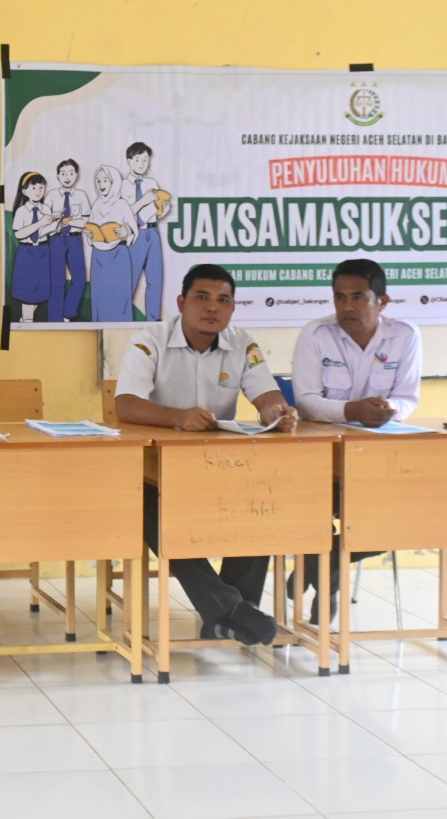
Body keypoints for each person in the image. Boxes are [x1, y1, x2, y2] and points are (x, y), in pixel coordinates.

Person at [114, 264, 299, 646]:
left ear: (232, 308)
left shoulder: (242, 344)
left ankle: (231, 614)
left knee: (261, 501)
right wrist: (177, 417)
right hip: (155, 471)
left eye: (223, 300)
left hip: (217, 469)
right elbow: (126, 405)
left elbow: (265, 394)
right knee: (151, 510)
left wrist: (276, 412)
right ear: (182, 302)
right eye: (202, 297)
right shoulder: (148, 341)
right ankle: (230, 610)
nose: (213, 307)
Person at [289, 258, 422, 621]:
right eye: (339, 297)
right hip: (320, 458)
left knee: (411, 513)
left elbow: (408, 398)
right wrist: (352, 411)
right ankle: (325, 573)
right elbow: (306, 401)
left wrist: (389, 408)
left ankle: (321, 562)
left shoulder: (405, 335)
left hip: (378, 457)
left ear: (382, 301)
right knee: (313, 510)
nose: (347, 306)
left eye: (358, 297)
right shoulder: (316, 334)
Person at [122, 141, 171, 321]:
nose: (142, 163)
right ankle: (123, 318)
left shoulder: (152, 183)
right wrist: (144, 201)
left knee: (155, 279)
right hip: (134, 235)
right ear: (129, 161)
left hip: (152, 233)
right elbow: (124, 213)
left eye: (145, 159)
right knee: (130, 280)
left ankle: (153, 320)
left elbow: (157, 209)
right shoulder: (121, 186)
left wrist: (162, 209)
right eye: (138, 159)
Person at [86, 164, 137, 322]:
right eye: (98, 181)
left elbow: (133, 229)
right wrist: (90, 234)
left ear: (113, 182)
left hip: (118, 256)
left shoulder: (122, 204)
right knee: (100, 296)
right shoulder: (96, 204)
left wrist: (126, 231)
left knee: (120, 296)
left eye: (105, 180)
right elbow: (91, 226)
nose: (101, 184)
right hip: (99, 257)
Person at [9, 171, 59, 322]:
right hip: (27, 252)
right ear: (24, 191)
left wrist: (56, 224)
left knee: (40, 288)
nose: (38, 191)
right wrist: (40, 223)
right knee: (27, 289)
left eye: (41, 187)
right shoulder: (21, 211)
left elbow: (47, 232)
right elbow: (19, 234)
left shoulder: (46, 209)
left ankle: (26, 318)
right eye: (34, 188)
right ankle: (27, 320)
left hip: (43, 251)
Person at [46, 158, 91, 323]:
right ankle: (54, 319)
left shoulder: (81, 195)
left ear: (76, 175)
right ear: (57, 176)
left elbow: (86, 221)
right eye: (63, 173)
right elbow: (46, 220)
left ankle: (68, 314)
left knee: (79, 280)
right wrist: (56, 220)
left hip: (74, 240)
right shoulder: (51, 195)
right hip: (56, 240)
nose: (67, 177)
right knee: (56, 281)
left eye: (71, 173)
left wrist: (69, 222)